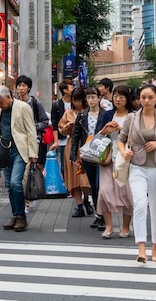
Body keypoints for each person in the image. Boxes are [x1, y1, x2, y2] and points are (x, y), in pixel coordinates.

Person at [119, 83, 156, 263]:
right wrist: (123, 151)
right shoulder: (131, 118)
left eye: (150, 97)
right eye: (143, 97)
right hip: (137, 166)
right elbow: (121, 140)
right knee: (140, 204)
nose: (146, 101)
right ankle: (141, 247)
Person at [0, 85, 37, 232]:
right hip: (4, 150)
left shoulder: (23, 107)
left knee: (16, 182)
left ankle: (21, 216)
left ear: (9, 97)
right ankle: (15, 214)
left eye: (0, 102)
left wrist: (33, 153)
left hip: (19, 149)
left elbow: (31, 130)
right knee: (10, 184)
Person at [96, 85, 135, 239]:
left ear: (127, 99)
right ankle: (109, 226)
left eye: (121, 97)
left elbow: (137, 137)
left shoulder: (133, 116)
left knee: (126, 193)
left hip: (126, 159)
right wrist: (104, 131)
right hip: (108, 158)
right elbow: (99, 135)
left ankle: (125, 227)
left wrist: (121, 129)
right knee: (104, 191)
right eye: (115, 96)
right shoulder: (108, 114)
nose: (117, 99)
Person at [71, 88, 105, 230]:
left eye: (93, 97)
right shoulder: (82, 115)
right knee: (93, 185)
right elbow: (76, 136)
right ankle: (99, 214)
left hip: (102, 153)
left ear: (98, 98)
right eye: (88, 98)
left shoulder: (105, 114)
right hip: (87, 153)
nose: (91, 100)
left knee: (100, 184)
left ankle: (103, 215)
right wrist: (73, 154)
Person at [60, 87, 92, 218]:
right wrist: (67, 127)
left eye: (79, 100)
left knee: (86, 178)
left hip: (86, 145)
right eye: (74, 100)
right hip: (72, 146)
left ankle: (87, 199)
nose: (77, 103)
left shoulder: (89, 112)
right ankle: (79, 205)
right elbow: (61, 129)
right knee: (73, 177)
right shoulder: (68, 113)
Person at [15, 75, 51, 170]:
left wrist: (32, 127)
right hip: (19, 139)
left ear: (29, 88)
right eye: (19, 86)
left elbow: (45, 121)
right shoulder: (14, 104)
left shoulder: (35, 103)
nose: (21, 88)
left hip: (35, 139)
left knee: (34, 166)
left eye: (23, 86)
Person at [52, 81, 72, 179]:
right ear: (65, 90)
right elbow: (55, 125)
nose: (73, 88)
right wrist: (56, 141)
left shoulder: (76, 103)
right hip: (63, 140)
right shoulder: (57, 105)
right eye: (71, 87)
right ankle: (66, 186)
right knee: (65, 164)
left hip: (75, 138)